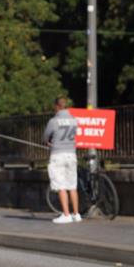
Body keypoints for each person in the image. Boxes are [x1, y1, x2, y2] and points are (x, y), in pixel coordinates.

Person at [44, 96, 81, 224]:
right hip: (71, 154)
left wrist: (49, 142)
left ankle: (66, 215)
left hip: (58, 155)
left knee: (61, 185)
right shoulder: (74, 120)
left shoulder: (53, 121)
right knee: (72, 186)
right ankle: (76, 214)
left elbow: (46, 137)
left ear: (57, 106)